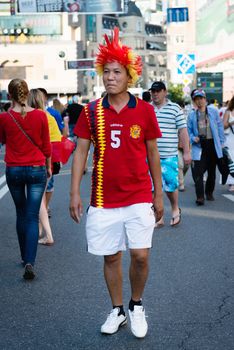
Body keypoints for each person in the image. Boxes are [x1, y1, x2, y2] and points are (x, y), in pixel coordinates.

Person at [69, 27, 163, 339]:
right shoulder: (91, 110)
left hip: (138, 195)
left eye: (117, 72)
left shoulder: (145, 110)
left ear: (129, 75)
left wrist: (159, 195)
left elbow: (153, 154)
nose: (110, 77)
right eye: (106, 72)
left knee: (140, 255)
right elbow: (81, 150)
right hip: (102, 197)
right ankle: (117, 309)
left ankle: (137, 305)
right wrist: (74, 194)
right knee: (111, 257)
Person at [0, 79, 51, 279]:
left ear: (10, 95)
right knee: (32, 216)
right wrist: (48, 166)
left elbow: (3, 140)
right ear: (27, 93)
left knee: (21, 213)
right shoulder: (40, 116)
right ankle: (29, 261)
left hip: (14, 169)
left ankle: (23, 256)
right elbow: (46, 146)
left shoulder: (4, 118)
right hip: (36, 168)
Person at [150, 81, 191, 227]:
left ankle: (174, 209)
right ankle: (158, 216)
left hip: (169, 154)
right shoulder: (147, 108)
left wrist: (186, 152)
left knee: (171, 186)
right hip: (150, 156)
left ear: (165, 92)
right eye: (153, 91)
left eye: (158, 91)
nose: (155, 93)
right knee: (153, 187)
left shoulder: (175, 108)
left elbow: (183, 131)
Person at [28, 89, 62, 245]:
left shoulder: (28, 117)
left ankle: (48, 235)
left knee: (38, 199)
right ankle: (41, 230)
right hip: (50, 160)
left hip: (36, 161)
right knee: (42, 197)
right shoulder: (49, 117)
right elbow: (57, 139)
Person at [187, 89, 225, 205]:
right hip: (199, 146)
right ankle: (200, 197)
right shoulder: (192, 115)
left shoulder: (213, 111)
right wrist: (194, 138)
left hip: (212, 145)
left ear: (205, 99)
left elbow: (219, 127)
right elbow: (188, 131)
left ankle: (209, 192)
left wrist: (221, 142)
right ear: (194, 101)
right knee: (197, 172)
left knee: (212, 172)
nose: (199, 101)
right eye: (197, 99)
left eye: (201, 98)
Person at [223, 96, 234, 191]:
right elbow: (223, 126)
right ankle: (231, 183)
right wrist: (232, 122)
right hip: (230, 139)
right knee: (231, 161)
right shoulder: (228, 111)